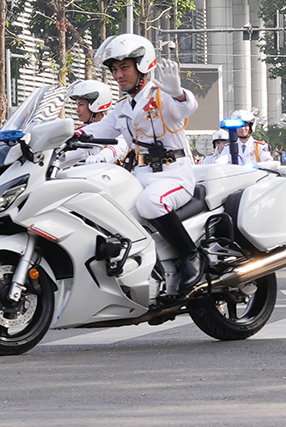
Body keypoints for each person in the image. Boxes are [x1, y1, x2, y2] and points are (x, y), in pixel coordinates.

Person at [78, 34, 202, 297]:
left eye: (125, 68)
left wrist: (178, 93)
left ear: (142, 66)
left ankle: (191, 257)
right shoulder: (123, 106)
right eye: (114, 70)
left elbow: (187, 108)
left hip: (173, 174)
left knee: (150, 203)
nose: (119, 75)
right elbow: (98, 130)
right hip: (141, 174)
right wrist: (64, 137)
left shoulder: (162, 95)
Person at [204, 110, 273, 166]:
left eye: (245, 125)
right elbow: (221, 160)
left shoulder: (260, 146)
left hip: (257, 180)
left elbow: (267, 159)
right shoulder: (228, 147)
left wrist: (268, 162)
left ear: (251, 127)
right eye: (239, 126)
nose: (242, 129)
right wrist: (214, 165)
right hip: (235, 181)